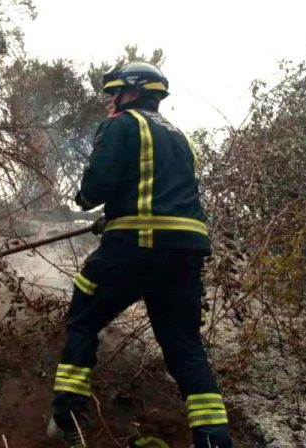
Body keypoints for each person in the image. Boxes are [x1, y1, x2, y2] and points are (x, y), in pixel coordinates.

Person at [48, 62, 233, 448]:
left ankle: (68, 425)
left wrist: (87, 201)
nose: (110, 102)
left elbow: (96, 185)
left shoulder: (121, 125)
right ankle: (214, 439)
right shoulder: (182, 139)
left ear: (132, 92)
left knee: (83, 317)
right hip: (185, 255)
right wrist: (115, 214)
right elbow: (159, 192)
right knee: (184, 346)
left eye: (114, 93)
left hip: (136, 246)